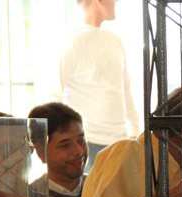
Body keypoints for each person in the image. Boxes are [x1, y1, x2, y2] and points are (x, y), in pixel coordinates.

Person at [54, 0, 139, 172]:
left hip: (120, 142)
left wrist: (136, 134)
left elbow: (126, 92)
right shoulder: (72, 39)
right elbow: (55, 94)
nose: (116, 2)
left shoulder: (115, 39)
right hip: (88, 143)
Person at [28, 102, 88, 197]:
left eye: (81, 141)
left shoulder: (101, 189)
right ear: (41, 151)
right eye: (65, 145)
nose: (79, 151)